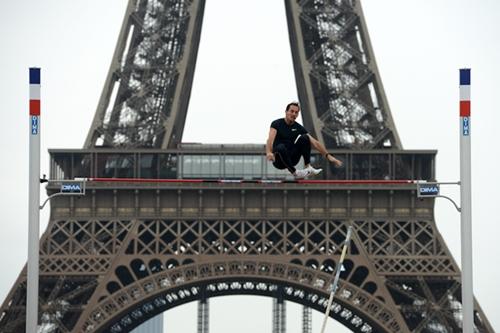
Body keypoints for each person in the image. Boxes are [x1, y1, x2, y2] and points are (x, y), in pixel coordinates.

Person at [266, 102, 343, 178]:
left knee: (305, 137)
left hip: (292, 158)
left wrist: (328, 155)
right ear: (286, 112)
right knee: (281, 147)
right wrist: (269, 152)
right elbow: (270, 139)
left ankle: (308, 166)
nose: (293, 114)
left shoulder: (298, 127)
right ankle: (295, 172)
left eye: (296, 112)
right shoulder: (276, 123)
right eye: (292, 111)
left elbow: (315, 142)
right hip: (278, 160)